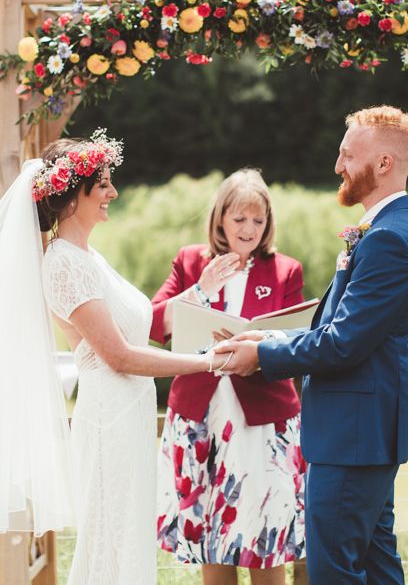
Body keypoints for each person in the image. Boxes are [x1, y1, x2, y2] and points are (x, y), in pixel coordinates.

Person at [0, 130, 244, 585]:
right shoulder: (65, 263)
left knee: (126, 539)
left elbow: (140, 325)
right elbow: (120, 356)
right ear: (74, 194)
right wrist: (209, 361)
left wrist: (201, 290)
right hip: (108, 416)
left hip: (126, 414)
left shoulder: (88, 256)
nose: (114, 192)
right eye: (105, 183)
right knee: (112, 542)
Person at [217, 105, 408, 584]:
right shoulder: (389, 231)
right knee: (376, 566)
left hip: (352, 438)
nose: (337, 166)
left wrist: (263, 357)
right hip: (365, 434)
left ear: (382, 164)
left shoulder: (388, 241)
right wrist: (271, 335)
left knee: (333, 573)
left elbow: (342, 345)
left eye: (347, 155)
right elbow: (342, 329)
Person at [150, 169, 306, 585]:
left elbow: (298, 339)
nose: (249, 229)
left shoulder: (286, 269)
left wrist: (260, 345)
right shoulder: (190, 262)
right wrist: (198, 291)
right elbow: (152, 325)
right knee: (210, 536)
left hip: (263, 420)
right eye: (240, 219)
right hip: (199, 417)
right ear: (221, 218)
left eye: (258, 221)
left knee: (265, 533)